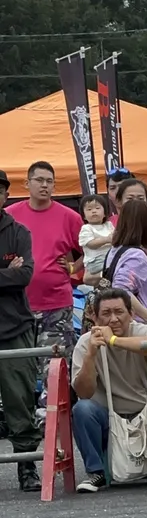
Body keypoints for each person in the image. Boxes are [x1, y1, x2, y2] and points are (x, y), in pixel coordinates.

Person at [71, 288, 147, 492]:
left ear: (131, 314)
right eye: (106, 313)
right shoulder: (86, 342)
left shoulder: (143, 331)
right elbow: (84, 393)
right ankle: (96, 472)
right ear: (95, 317)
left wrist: (114, 341)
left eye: (119, 312)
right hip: (107, 415)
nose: (113, 319)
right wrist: (91, 355)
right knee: (82, 409)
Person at [7, 161, 83, 406]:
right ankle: (22, 419)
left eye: (49, 181)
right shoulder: (10, 215)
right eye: (39, 180)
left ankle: (51, 421)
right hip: (17, 306)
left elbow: (92, 252)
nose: (44, 185)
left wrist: (73, 268)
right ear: (27, 184)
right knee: (18, 368)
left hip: (56, 305)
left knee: (55, 368)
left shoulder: (69, 217)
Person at [0, 170, 42, 490]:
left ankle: (26, 466)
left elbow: (25, 275)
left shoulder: (19, 232)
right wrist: (6, 272)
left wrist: (14, 273)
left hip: (15, 327)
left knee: (20, 400)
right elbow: (13, 276)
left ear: (5, 195)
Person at [103, 200, 147, 326]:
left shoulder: (114, 251)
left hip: (119, 324)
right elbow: (121, 289)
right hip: (138, 325)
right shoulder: (136, 255)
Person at [78, 194, 115, 285]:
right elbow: (91, 244)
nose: (94, 211)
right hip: (95, 261)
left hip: (109, 257)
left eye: (97, 208)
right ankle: (103, 275)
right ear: (84, 216)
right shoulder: (86, 228)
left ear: (105, 213)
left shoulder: (108, 225)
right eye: (89, 209)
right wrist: (106, 239)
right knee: (114, 267)